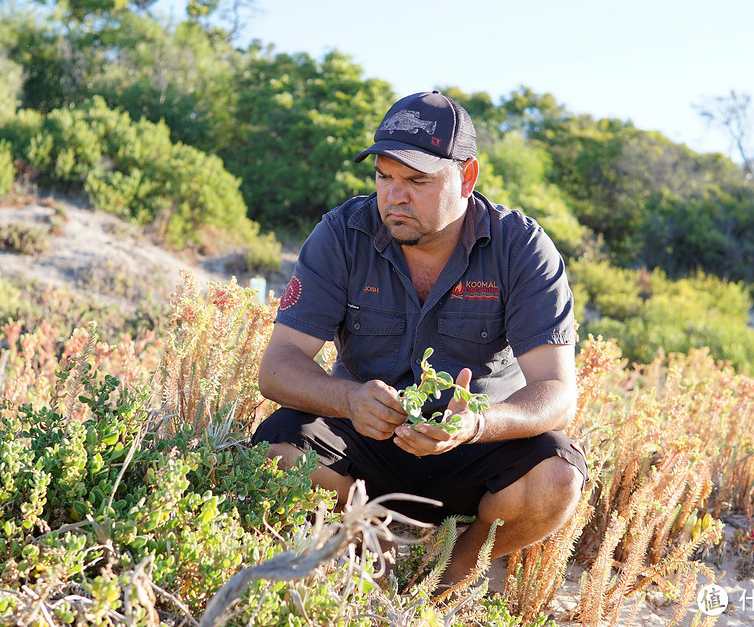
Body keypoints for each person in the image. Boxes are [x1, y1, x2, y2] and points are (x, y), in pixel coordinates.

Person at [252, 90, 588, 587]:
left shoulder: (521, 247)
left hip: (475, 451)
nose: (395, 196)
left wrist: (476, 424)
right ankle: (377, 546)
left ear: (467, 177)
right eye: (384, 176)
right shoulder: (342, 234)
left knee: (558, 476)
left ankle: (451, 573)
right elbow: (277, 366)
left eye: (417, 180)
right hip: (365, 442)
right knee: (275, 451)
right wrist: (350, 398)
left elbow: (558, 394)